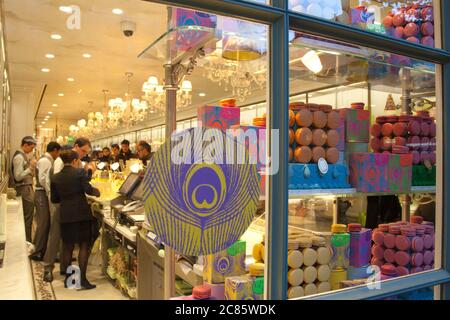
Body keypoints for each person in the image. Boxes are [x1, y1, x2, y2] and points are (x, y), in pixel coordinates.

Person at [43, 138, 93, 282]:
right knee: (55, 235)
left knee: (66, 240)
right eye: (83, 151)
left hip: (66, 204)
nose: (84, 154)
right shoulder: (62, 160)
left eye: (86, 152)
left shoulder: (76, 160)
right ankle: (48, 267)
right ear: (76, 147)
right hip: (61, 204)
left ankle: (66, 268)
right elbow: (61, 182)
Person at [50, 149, 100, 290]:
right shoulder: (79, 173)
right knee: (84, 245)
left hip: (66, 214)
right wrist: (97, 191)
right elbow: (88, 190)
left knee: (67, 246)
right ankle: (83, 280)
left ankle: (70, 280)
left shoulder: (55, 177)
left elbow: (54, 199)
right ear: (74, 161)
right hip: (81, 214)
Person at [30, 142, 61, 261]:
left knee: (46, 223)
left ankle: (40, 250)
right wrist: (51, 193)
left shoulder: (47, 160)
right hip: (41, 193)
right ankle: (38, 251)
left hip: (43, 193)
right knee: (43, 223)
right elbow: (44, 180)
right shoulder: (45, 161)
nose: (58, 155)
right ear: (54, 150)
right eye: (58, 152)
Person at [11, 136, 37, 243]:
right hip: (23, 189)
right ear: (25, 145)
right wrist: (30, 169)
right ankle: (26, 242)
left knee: (28, 217)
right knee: (27, 218)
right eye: (31, 147)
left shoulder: (23, 156)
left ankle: (27, 241)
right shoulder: (19, 157)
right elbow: (18, 176)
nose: (32, 150)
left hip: (26, 188)